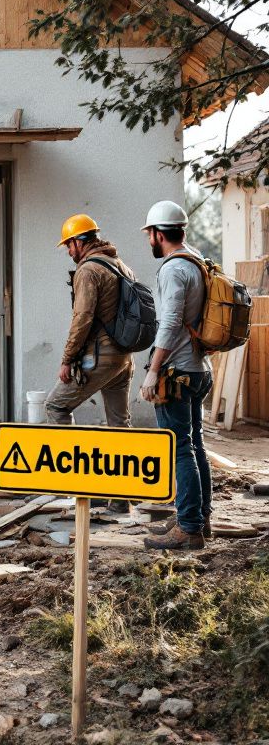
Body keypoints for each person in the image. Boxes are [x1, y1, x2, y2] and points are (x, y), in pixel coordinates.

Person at [44, 214, 138, 512]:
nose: (68, 252)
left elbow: (82, 318)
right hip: (124, 358)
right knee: (118, 425)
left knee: (56, 407)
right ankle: (120, 498)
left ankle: (81, 483)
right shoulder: (119, 265)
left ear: (78, 241)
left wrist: (67, 359)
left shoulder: (88, 270)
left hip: (99, 357)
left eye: (68, 246)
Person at [139, 200, 213, 551]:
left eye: (149, 235)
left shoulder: (172, 269)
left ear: (157, 234)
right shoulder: (197, 261)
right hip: (199, 369)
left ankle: (188, 527)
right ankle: (199, 518)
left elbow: (169, 323)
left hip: (176, 372)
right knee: (195, 443)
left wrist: (153, 371)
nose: (148, 241)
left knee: (179, 448)